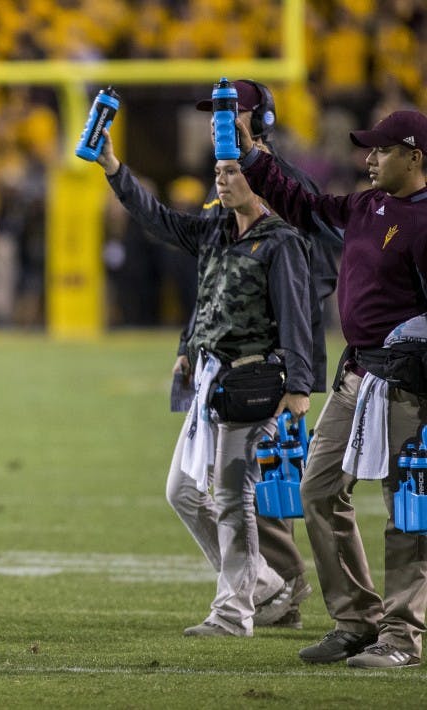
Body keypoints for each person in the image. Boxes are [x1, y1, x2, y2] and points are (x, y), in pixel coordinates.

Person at [92, 127, 314, 637]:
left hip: (253, 381)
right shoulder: (214, 227)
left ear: (260, 179)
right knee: (184, 492)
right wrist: (113, 169)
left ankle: (233, 612)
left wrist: (298, 388)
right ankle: (262, 582)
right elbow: (158, 221)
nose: (222, 174)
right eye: (219, 167)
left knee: (233, 499)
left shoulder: (281, 241)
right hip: (212, 383)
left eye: (234, 168)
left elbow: (298, 318)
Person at [238, 109, 427, 668]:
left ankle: (401, 636)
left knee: (407, 511)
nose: (368, 159)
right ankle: (356, 620)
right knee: (317, 490)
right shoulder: (369, 205)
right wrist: (254, 158)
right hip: (356, 379)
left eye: (382, 150)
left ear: (415, 157)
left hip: (409, 386)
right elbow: (306, 206)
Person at [172, 79, 345, 629]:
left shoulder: (283, 184)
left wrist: (281, 347)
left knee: (255, 484)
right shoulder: (227, 182)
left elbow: (312, 275)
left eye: (229, 111)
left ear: (257, 118)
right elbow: (216, 280)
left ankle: (278, 589)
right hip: (227, 362)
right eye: (216, 112)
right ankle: (268, 586)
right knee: (225, 487)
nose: (217, 121)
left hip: (269, 362)